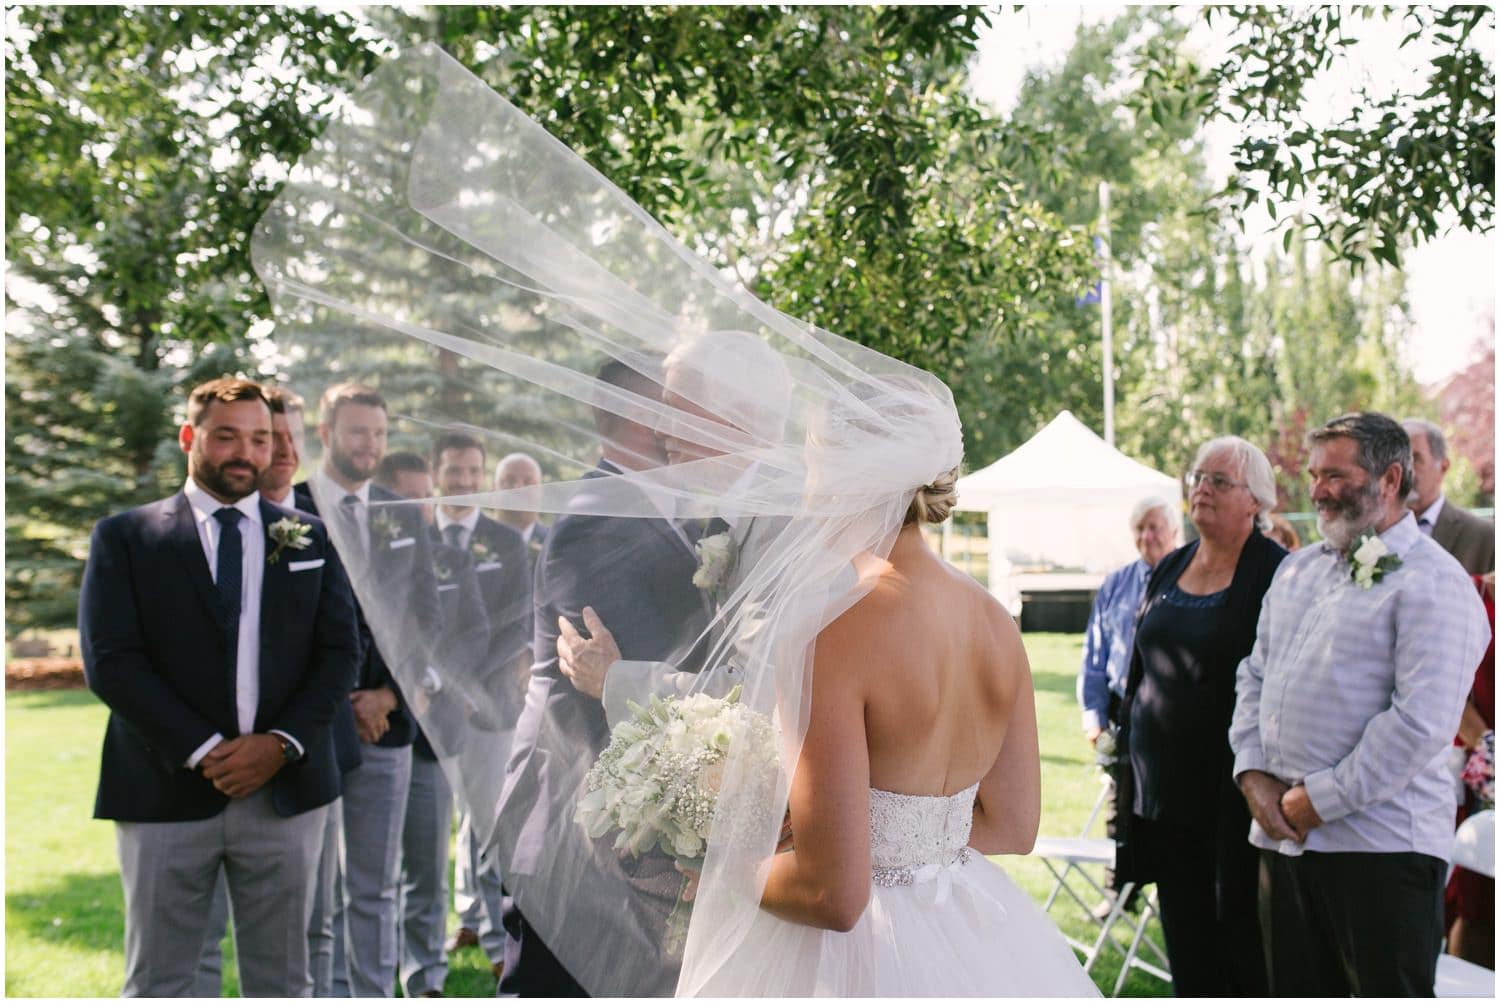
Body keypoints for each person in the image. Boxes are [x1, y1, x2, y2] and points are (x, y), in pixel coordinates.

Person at [250, 44, 1101, 996]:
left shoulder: (843, 621)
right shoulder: (994, 622)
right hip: (964, 940)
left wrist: (729, 863)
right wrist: (911, 850)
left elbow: (832, 889)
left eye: (809, 459)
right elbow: (1012, 824)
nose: (796, 477)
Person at [81, 377, 358, 996]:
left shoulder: (309, 536)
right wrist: (205, 750)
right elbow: (111, 661)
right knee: (161, 978)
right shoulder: (126, 538)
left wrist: (279, 744)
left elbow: (342, 652)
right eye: (227, 436)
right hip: (163, 788)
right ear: (189, 437)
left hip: (285, 790)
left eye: (260, 439)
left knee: (284, 980)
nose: (246, 452)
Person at [1230, 412, 1490, 996]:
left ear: (1391, 479)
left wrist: (1311, 803)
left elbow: (1420, 725)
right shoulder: (1297, 571)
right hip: (1283, 839)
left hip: (1381, 850)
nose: (1317, 490)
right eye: (1315, 475)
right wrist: (1252, 775)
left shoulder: (1435, 583)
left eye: (1335, 476)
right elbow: (1254, 676)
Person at [493, 357, 711, 996]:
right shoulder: (596, 521)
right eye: (679, 406)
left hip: (620, 817)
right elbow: (613, 692)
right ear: (648, 419)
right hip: (580, 822)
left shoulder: (667, 511)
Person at [1113, 437, 1287, 995]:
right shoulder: (1171, 567)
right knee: (1186, 946)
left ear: (1255, 502)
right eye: (1197, 478)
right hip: (1162, 799)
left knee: (1239, 948)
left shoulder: (1276, 573)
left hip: (1231, 799)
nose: (1202, 489)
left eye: (1219, 481)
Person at [295, 382, 438, 997]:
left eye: (379, 433)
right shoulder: (288, 508)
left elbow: (428, 621)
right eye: (357, 432)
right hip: (309, 730)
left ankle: (375, 992)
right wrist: (331, 705)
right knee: (314, 887)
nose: (370, 445)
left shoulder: (403, 513)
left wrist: (390, 698)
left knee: (376, 884)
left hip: (387, 724)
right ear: (325, 434)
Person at [1446, 571, 1495, 969]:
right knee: (1478, 902)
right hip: (1488, 770)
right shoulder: (1474, 592)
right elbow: (1452, 693)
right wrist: (1493, 755)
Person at [1403, 418, 1494, 574]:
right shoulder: (1371, 532)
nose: (1404, 470)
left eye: (1415, 459)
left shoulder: (1485, 537)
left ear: (1443, 467)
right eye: (1398, 460)